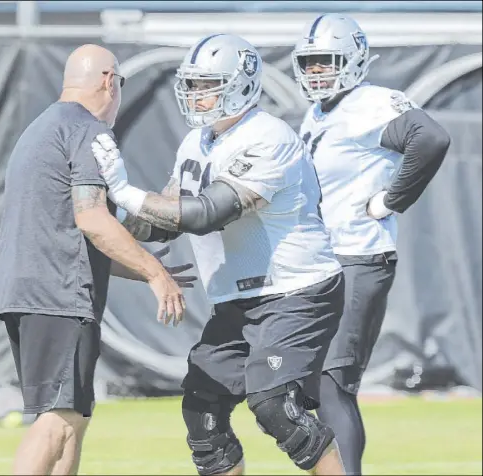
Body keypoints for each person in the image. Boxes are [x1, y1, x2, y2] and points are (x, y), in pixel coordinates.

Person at [93, 34, 348, 475]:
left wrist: (125, 190)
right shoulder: (197, 142)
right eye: (192, 85)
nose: (196, 95)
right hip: (238, 299)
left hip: (296, 290)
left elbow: (208, 213)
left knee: (274, 406)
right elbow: (162, 220)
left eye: (207, 84)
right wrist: (103, 208)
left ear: (242, 84)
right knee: (202, 408)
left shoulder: (269, 136)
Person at [0, 44, 196, 476]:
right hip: (58, 297)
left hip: (31, 292)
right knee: (57, 419)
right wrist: (155, 272)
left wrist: (141, 268)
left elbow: (64, 230)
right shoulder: (88, 130)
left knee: (75, 418)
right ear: (109, 81)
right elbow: (91, 218)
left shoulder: (43, 126)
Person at [291, 13, 450, 475]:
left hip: (358, 259)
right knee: (308, 384)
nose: (318, 71)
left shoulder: (371, 102)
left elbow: (432, 137)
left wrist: (389, 200)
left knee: (332, 381)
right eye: (311, 62)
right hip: (321, 262)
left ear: (354, 58)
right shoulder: (317, 111)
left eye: (327, 60)